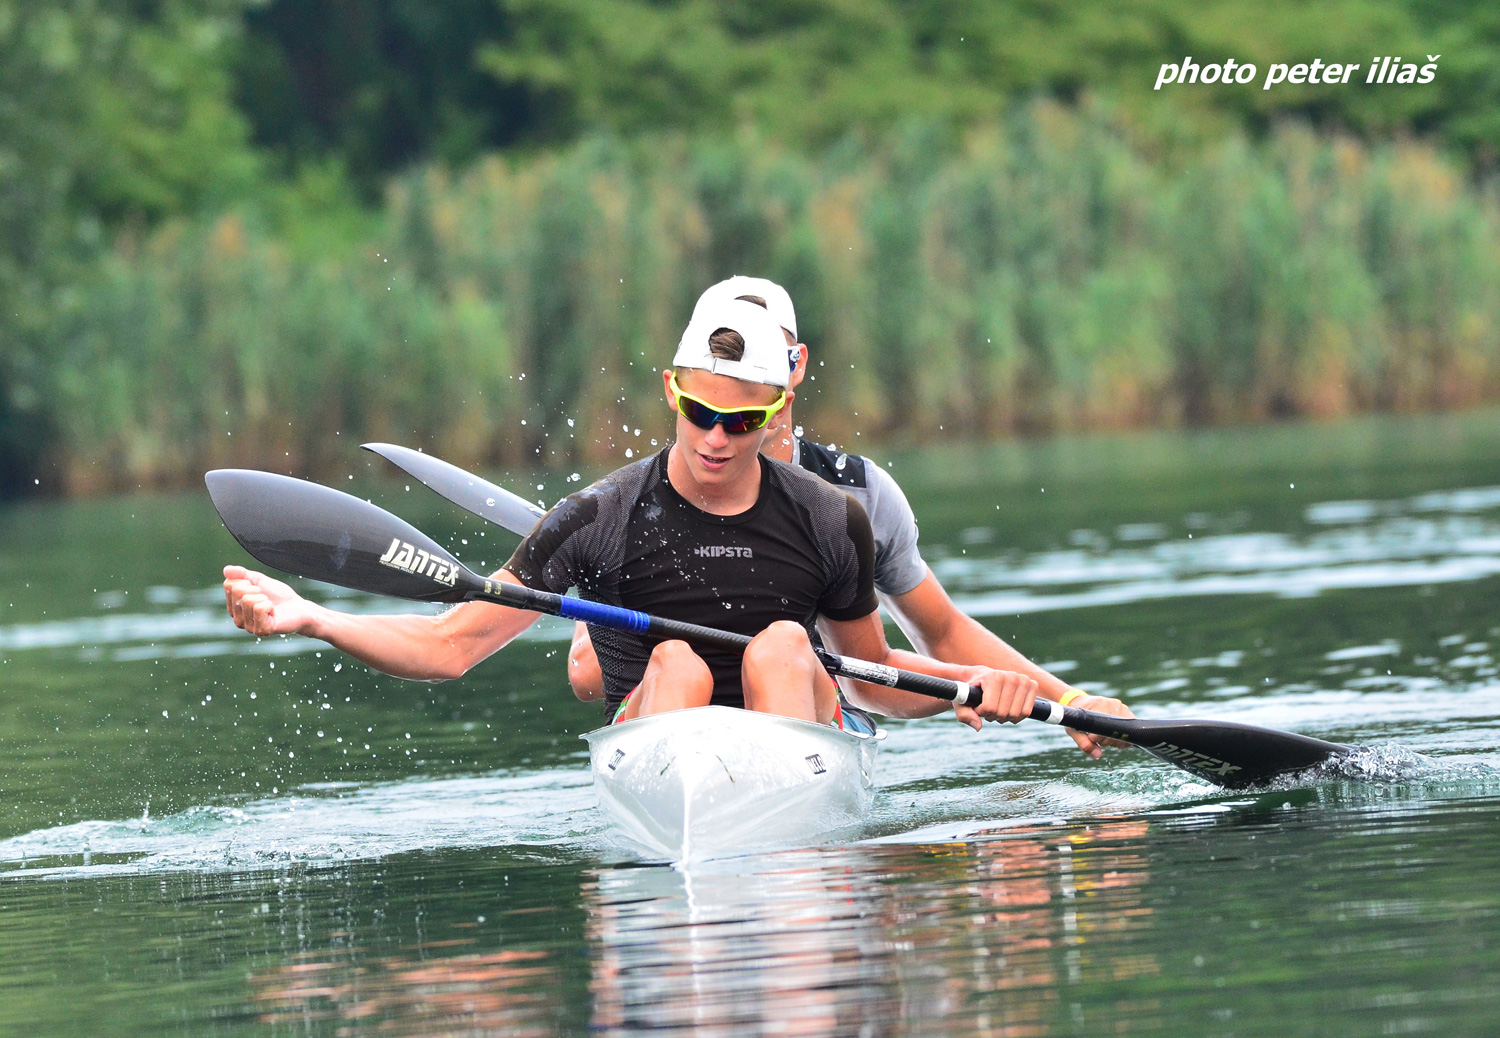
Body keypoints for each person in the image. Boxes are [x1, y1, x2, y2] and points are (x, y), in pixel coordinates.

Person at [222, 296, 1041, 733]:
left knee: (789, 645)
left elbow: (871, 678)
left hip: (798, 730)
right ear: (670, 392)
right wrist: (314, 618)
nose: (718, 438)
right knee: (677, 664)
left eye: (743, 420)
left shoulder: (834, 518)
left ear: (780, 407)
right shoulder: (596, 518)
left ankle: (793, 908)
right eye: (698, 412)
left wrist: (973, 689)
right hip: (665, 747)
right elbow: (447, 650)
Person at [566, 277, 1134, 756]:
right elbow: (590, 680)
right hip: (677, 718)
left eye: (768, 353)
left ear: (794, 367)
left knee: (786, 653)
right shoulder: (631, 502)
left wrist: (1069, 702)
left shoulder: (853, 497)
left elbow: (937, 631)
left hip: (815, 715)